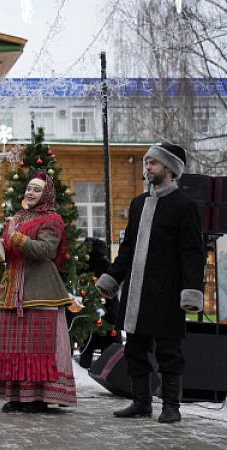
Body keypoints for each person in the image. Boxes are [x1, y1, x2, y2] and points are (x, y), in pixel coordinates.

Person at [95, 143, 204, 424]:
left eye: (153, 163)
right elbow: (128, 248)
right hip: (137, 292)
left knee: (169, 352)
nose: (148, 167)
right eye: (147, 163)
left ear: (169, 168)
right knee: (134, 349)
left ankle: (171, 406)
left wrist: (191, 292)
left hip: (167, 292)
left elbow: (193, 254)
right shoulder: (138, 203)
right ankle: (141, 402)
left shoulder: (185, 205)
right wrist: (112, 279)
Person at [0, 172, 76, 414]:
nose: (30, 193)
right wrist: (1, 246)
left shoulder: (53, 219)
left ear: (46, 194)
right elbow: (10, 250)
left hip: (40, 288)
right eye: (28, 188)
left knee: (38, 345)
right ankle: (16, 395)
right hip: (13, 287)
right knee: (13, 345)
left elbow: (46, 250)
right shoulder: (16, 217)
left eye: (36, 190)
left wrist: (15, 238)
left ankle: (39, 396)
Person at [77, 237, 122, 369]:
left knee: (89, 345)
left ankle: (87, 369)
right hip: (107, 313)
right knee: (108, 349)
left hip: (95, 312)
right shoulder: (105, 264)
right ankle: (105, 371)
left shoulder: (86, 266)